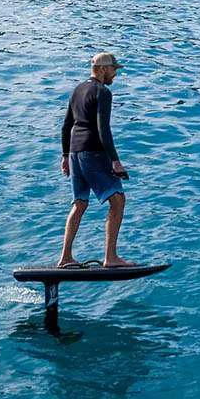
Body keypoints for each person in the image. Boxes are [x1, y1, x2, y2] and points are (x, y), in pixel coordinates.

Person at [58, 52, 131, 267]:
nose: (115, 74)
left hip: (74, 152)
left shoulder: (77, 90)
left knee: (79, 203)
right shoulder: (102, 92)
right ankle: (111, 257)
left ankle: (65, 258)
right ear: (101, 69)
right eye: (113, 69)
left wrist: (64, 156)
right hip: (93, 153)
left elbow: (66, 126)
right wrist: (115, 161)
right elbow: (103, 129)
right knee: (117, 200)